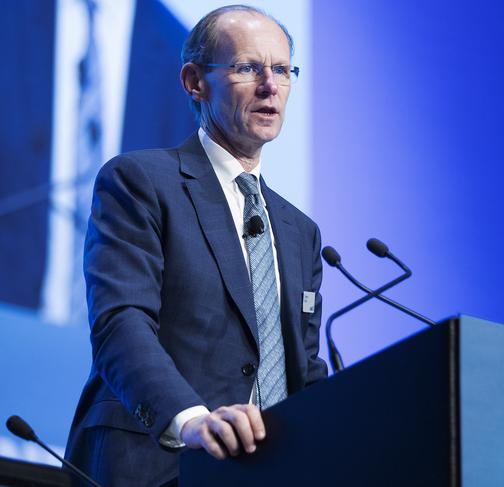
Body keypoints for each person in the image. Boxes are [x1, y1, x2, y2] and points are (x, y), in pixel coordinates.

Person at [65, 5, 327, 486]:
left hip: (271, 473)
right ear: (194, 81)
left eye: (283, 70)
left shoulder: (300, 231)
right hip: (158, 465)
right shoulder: (141, 181)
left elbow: (304, 373)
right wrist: (192, 422)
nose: (271, 86)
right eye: (248, 68)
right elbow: (120, 323)